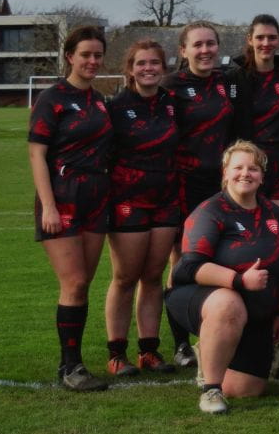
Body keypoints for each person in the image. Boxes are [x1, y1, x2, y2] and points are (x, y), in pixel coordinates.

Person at [165, 140, 279, 414]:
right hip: (201, 298)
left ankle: (211, 350)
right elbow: (186, 269)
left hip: (254, 309)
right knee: (228, 303)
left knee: (248, 389)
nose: (245, 174)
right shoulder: (210, 211)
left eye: (253, 168)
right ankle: (210, 389)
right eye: (238, 168)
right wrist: (238, 280)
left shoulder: (276, 216)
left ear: (262, 176)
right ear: (224, 173)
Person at [26, 25, 114, 391]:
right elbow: (36, 153)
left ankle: (74, 363)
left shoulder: (98, 99)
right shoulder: (53, 98)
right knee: (74, 282)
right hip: (62, 197)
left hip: (96, 197)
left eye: (97, 55)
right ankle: (69, 367)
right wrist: (48, 205)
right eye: (85, 55)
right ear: (69, 57)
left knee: (84, 284)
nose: (92, 61)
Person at [103, 39, 181, 377]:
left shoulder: (172, 104)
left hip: (167, 199)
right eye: (141, 63)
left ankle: (148, 350)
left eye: (154, 63)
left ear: (163, 68)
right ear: (130, 69)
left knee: (153, 276)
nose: (148, 69)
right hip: (128, 200)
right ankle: (116, 353)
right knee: (124, 277)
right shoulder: (117, 106)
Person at [163, 20, 238, 367]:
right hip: (184, 184)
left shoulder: (226, 82)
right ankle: (180, 344)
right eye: (198, 45)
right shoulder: (171, 86)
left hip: (220, 187)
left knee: (219, 260)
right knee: (182, 261)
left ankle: (216, 330)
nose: (205, 50)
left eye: (211, 44)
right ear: (183, 51)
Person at [231, 14, 279, 200]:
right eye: (260, 37)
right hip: (250, 161)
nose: (266, 43)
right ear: (250, 39)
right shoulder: (233, 79)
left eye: (272, 37)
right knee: (250, 220)